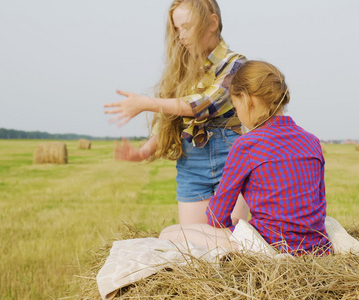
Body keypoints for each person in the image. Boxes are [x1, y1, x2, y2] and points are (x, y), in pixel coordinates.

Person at [160, 60, 332, 256]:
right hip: (315, 245)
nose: (238, 114)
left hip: (269, 244)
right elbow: (319, 202)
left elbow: (218, 214)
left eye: (235, 106)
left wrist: (228, 230)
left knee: (169, 234)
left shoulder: (247, 145)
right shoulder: (311, 141)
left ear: (246, 99)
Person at [103, 0, 249, 224]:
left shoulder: (236, 64)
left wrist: (147, 103)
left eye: (187, 27)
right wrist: (143, 152)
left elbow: (206, 104)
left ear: (212, 23)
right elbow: (168, 120)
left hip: (231, 160)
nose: (181, 36)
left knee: (235, 242)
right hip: (191, 164)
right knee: (194, 246)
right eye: (177, 29)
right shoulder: (181, 71)